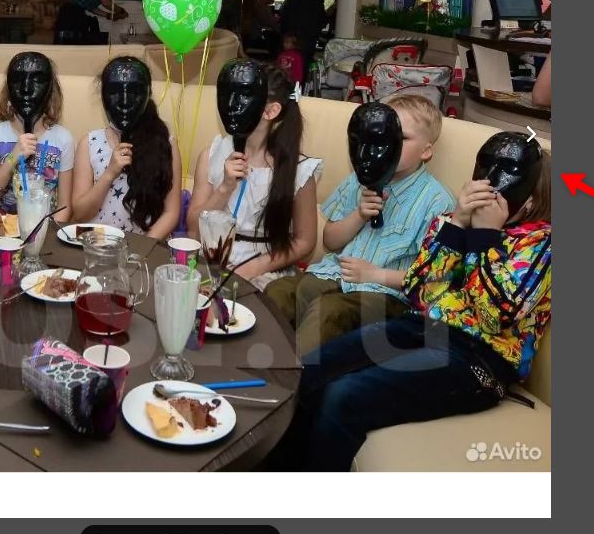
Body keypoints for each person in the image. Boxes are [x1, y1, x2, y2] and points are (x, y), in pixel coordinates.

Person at [269, 132, 553, 472]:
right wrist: (457, 225)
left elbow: (494, 317)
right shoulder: (455, 221)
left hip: (477, 359)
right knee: (308, 372)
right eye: (484, 168)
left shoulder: (542, 244)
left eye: (506, 173)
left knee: (344, 396)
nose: (490, 182)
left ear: (531, 200)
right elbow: (419, 289)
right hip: (418, 327)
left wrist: (484, 237)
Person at [264, 94, 455, 356]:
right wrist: (358, 216)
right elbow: (330, 240)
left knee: (329, 311)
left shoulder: (437, 202)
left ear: (426, 151)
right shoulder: (357, 179)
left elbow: (433, 277)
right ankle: (256, 363)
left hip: (386, 295)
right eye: (381, 137)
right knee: (279, 291)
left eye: (400, 138)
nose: (387, 146)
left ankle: (292, 375)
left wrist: (375, 275)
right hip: (332, 275)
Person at [188, 60, 322, 290]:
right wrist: (224, 187)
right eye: (228, 95)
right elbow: (193, 227)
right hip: (211, 259)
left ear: (271, 111)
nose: (231, 105)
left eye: (243, 97)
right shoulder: (212, 154)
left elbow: (304, 241)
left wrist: (254, 268)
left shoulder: (298, 170)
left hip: (265, 269)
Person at [68, 56, 182, 239]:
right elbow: (80, 213)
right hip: (97, 246)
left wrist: (141, 248)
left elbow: (171, 213)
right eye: (114, 92)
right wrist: (109, 174)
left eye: (135, 92)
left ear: (147, 94)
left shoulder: (166, 143)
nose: (124, 101)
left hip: (145, 248)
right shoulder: (89, 144)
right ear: (103, 96)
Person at [0, 51, 75, 214]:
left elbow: (63, 208)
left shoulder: (62, 138)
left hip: (44, 226)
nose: (26, 89)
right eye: (17, 79)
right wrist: (12, 159)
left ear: (50, 90)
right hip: (3, 227)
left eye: (37, 80)